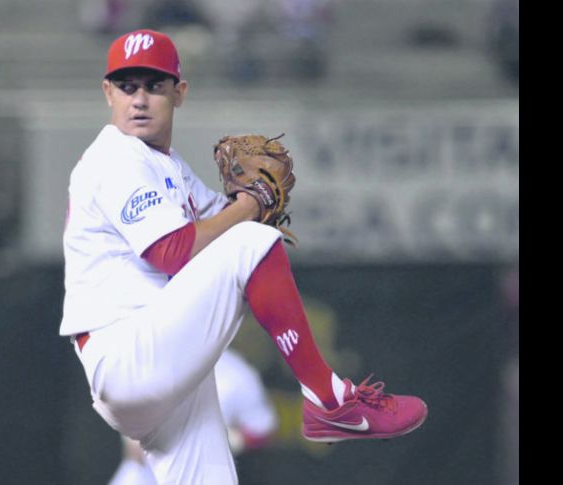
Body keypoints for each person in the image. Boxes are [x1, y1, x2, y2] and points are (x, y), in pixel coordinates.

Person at [60, 28, 428, 484]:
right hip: (127, 353)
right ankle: (329, 400)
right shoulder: (116, 158)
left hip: (163, 369)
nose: (139, 99)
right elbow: (173, 252)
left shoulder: (169, 169)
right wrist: (250, 206)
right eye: (127, 86)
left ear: (180, 93)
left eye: (153, 86)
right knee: (250, 244)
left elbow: (232, 221)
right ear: (107, 92)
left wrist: (255, 203)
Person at [108, 348, 278, 485]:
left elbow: (262, 429)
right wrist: (130, 434)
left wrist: (227, 440)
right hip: (145, 473)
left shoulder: (238, 375)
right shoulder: (154, 356)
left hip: (203, 473)